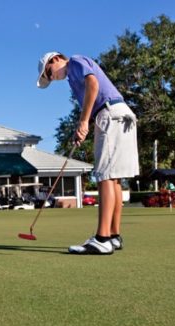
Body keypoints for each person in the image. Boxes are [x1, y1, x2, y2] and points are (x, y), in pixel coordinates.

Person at [37, 52, 139, 255]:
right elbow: (90, 102)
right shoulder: (72, 79)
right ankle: (114, 236)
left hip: (110, 113)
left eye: (49, 72)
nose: (52, 78)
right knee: (114, 178)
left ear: (55, 59)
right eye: (48, 77)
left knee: (105, 177)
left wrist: (84, 122)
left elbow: (94, 86)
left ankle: (102, 239)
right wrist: (85, 124)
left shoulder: (75, 61)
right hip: (119, 113)